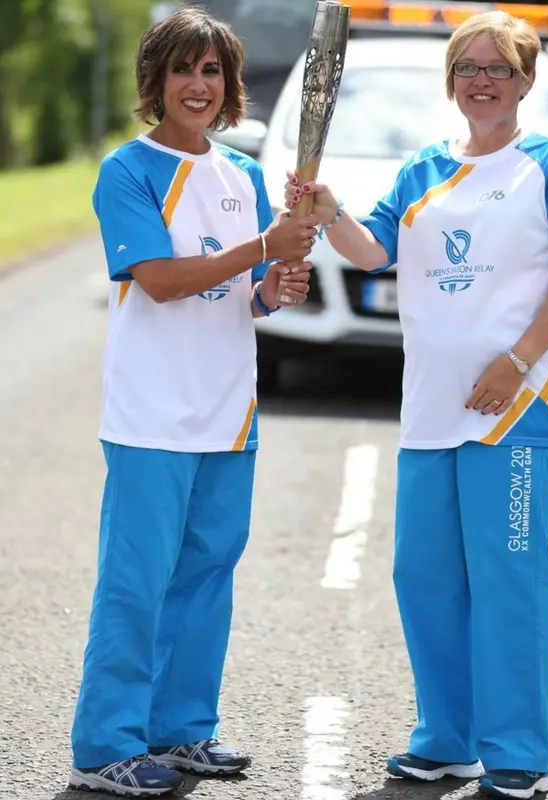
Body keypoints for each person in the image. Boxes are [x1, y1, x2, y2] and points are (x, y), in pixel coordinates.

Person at [284, 11, 548, 799]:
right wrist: (326, 210)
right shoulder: (425, 167)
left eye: (497, 68)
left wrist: (517, 361)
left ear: (525, 81)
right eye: (467, 66)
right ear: (451, 80)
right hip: (430, 409)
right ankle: (448, 740)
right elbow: (373, 250)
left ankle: (515, 755)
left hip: (515, 410)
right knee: (424, 576)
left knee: (508, 578)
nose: (480, 80)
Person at [69, 7, 319, 797]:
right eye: (183, 69)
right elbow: (162, 280)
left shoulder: (242, 177)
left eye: (212, 71)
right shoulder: (128, 171)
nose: (198, 85)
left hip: (228, 412)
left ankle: (180, 730)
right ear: (157, 80)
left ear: (229, 84)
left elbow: (242, 295)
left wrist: (275, 286)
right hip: (151, 416)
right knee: (136, 583)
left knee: (207, 576)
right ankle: (106, 743)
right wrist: (263, 249)